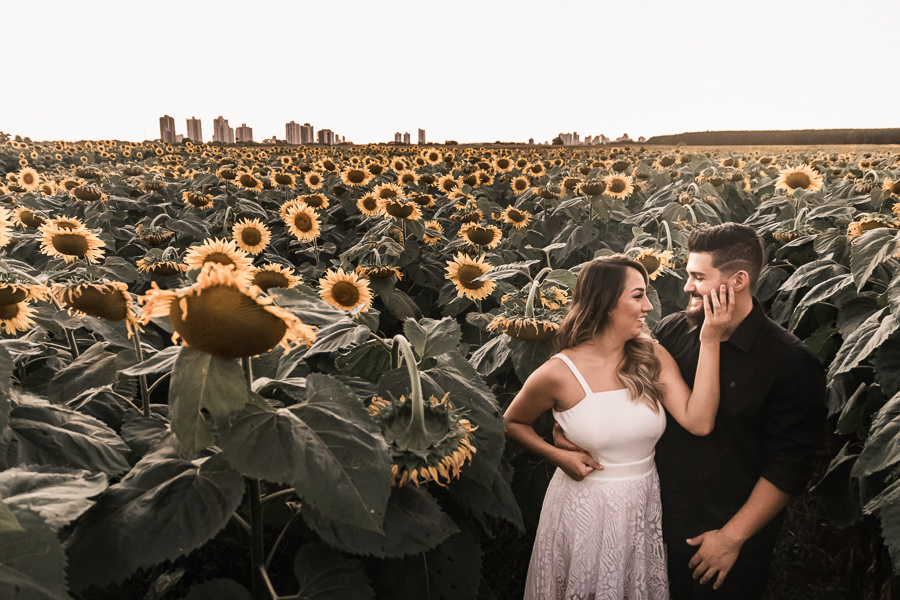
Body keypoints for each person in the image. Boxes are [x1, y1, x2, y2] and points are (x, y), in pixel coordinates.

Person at [556, 224, 826, 599]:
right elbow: (617, 391)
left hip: (720, 536)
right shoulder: (672, 332)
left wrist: (731, 538)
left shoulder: (790, 363)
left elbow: (789, 467)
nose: (687, 287)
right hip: (650, 519)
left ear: (738, 281)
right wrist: (572, 430)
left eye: (698, 277)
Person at [504, 254, 735, 600]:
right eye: (638, 295)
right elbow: (511, 422)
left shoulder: (651, 356)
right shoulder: (559, 372)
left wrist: (711, 339)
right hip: (585, 507)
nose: (647, 307)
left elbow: (699, 422)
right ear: (607, 303)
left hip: (641, 502)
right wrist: (557, 456)